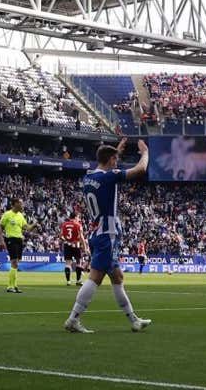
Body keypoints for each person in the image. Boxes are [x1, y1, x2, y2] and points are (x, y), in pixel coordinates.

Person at [63, 140, 152, 334]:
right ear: (111, 160)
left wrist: (114, 152)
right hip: (107, 234)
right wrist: (145, 152)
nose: (117, 162)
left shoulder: (88, 177)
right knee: (95, 277)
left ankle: (134, 320)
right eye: (116, 159)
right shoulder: (109, 177)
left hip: (97, 231)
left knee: (117, 277)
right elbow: (141, 169)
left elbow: (105, 167)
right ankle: (73, 319)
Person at [0, 198, 37, 293]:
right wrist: (2, 240)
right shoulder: (7, 214)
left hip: (19, 240)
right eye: (21, 203)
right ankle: (10, 286)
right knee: (14, 262)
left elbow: (27, 228)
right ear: (15, 204)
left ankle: (14, 286)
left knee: (16, 263)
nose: (22, 205)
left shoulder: (20, 215)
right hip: (11, 239)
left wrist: (34, 225)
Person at [59, 212, 87, 286]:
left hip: (67, 245)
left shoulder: (64, 224)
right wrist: (85, 247)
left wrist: (67, 241)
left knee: (68, 263)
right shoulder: (78, 225)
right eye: (78, 217)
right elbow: (81, 237)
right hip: (76, 245)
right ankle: (78, 280)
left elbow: (60, 236)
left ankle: (68, 281)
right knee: (78, 262)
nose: (79, 219)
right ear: (75, 217)